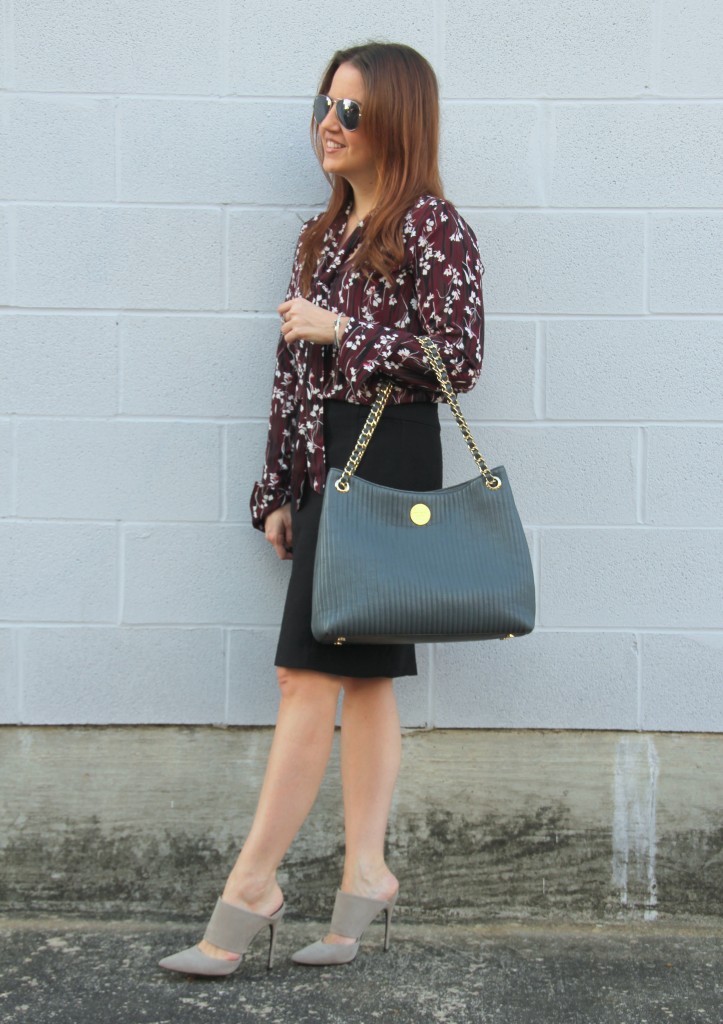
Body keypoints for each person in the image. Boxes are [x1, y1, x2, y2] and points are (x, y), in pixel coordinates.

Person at [158, 40, 484, 975]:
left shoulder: (433, 226)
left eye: (349, 110)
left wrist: (346, 327)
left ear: (397, 120)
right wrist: (278, 490)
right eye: (322, 107)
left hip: (388, 458)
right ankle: (367, 876)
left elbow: (457, 360)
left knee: (304, 678)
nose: (328, 126)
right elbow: (292, 380)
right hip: (328, 459)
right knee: (365, 679)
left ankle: (251, 886)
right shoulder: (323, 233)